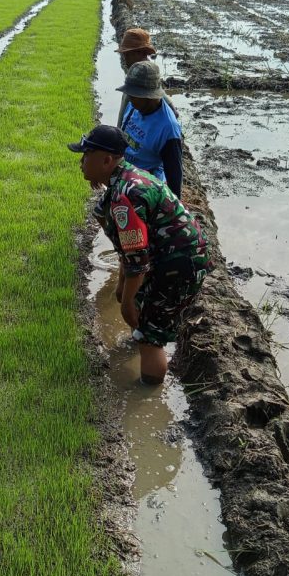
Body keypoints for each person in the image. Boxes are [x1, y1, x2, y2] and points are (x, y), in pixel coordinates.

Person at [68, 124, 210, 385]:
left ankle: (146, 395)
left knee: (151, 334)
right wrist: (124, 288)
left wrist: (127, 301)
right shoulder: (123, 181)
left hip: (179, 264)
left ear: (106, 160)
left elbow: (137, 261)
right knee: (139, 309)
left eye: (85, 156)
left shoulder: (125, 197)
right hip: (167, 257)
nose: (81, 163)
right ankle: (141, 342)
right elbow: (130, 251)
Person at [117, 60, 184, 200]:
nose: (129, 97)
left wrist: (173, 209)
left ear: (150, 96)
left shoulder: (168, 128)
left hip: (145, 185)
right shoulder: (134, 104)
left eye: (135, 95)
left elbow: (174, 176)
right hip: (123, 172)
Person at [115, 28, 157, 128]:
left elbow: (161, 99)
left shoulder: (147, 76)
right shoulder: (134, 72)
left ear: (139, 52)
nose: (124, 57)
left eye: (127, 53)